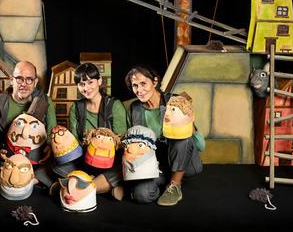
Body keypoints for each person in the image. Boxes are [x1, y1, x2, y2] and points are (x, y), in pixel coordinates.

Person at [124, 66, 204, 206]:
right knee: (142, 195)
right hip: (157, 165)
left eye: (143, 83)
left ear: (155, 82)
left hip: (185, 162)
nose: (139, 90)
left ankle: (175, 185)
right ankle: (163, 182)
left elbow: (200, 145)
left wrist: (189, 123)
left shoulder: (175, 102)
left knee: (182, 140)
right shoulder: (134, 108)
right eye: (135, 85)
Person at [67, 62, 128, 195]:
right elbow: (74, 141)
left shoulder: (114, 105)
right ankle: (104, 186)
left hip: (110, 161)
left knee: (123, 167)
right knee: (59, 164)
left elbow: (121, 141)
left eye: (90, 82)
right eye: (82, 84)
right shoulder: (76, 108)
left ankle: (82, 188)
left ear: (99, 81)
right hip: (85, 160)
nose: (86, 88)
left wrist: (101, 148)